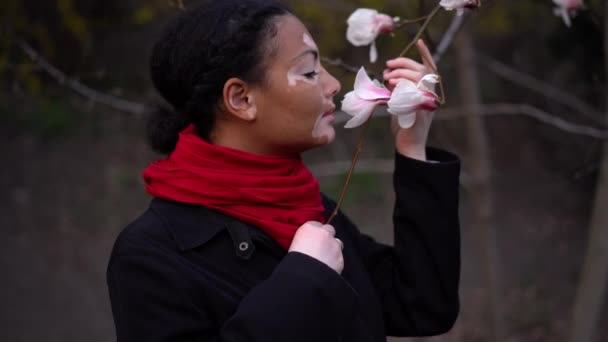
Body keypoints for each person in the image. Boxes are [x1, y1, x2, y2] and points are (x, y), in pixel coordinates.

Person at [106, 1, 461, 341]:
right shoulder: (150, 255)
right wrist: (303, 281)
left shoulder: (308, 209)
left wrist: (413, 149)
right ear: (241, 99)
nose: (333, 85)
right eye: (309, 72)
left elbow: (421, 306)